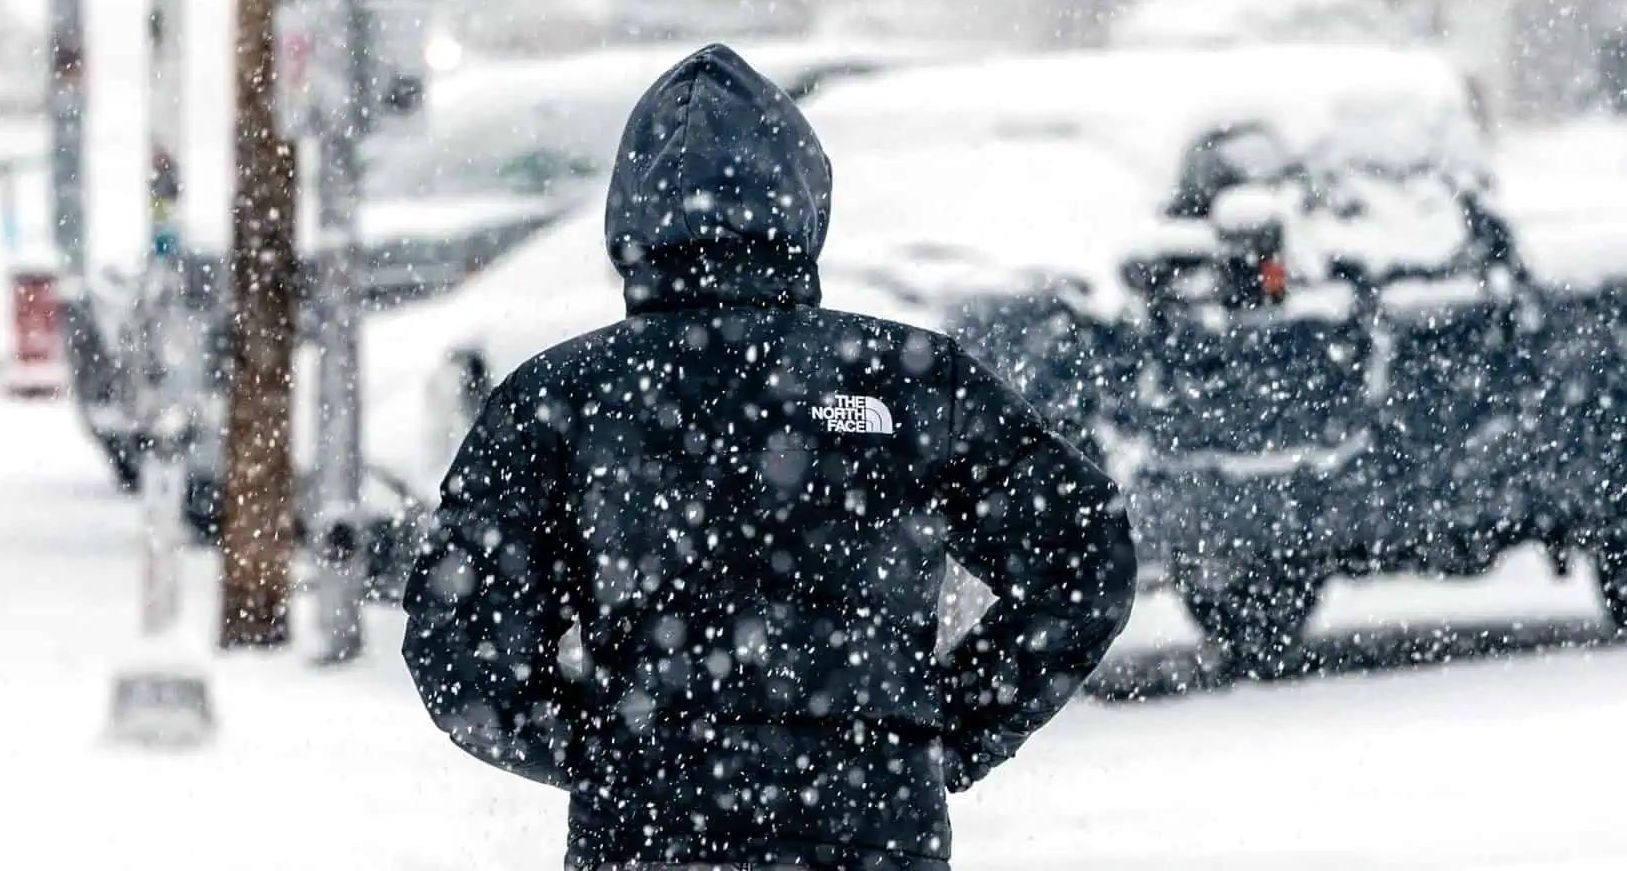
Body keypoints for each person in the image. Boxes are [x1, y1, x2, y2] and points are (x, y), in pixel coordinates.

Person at [404, 45, 1137, 871]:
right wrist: (934, 733)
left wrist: (609, 758)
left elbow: (460, 644)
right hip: (869, 828)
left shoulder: (562, 399)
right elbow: (1083, 549)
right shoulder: (903, 380)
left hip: (650, 837)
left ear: (629, 216)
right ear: (803, 202)